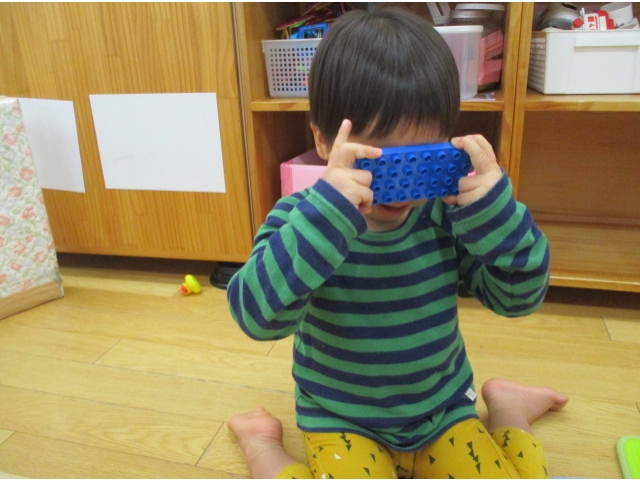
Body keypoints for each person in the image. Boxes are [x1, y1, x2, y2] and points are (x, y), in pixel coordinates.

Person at [226, 6, 567, 479]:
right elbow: (255, 317)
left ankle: (508, 406)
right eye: (377, 158)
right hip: (341, 418)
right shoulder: (301, 220)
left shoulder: (445, 215)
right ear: (323, 142)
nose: (400, 186)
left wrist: (498, 219)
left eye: (421, 157)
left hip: (442, 410)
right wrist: (325, 218)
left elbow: (518, 299)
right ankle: (262, 444)